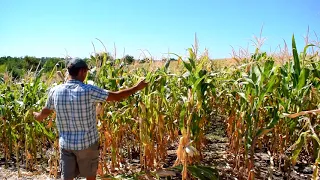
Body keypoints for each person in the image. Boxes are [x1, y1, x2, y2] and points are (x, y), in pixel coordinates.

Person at [33, 58, 148, 180]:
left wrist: (37, 116)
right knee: (90, 177)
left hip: (66, 145)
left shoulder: (55, 91)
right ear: (82, 71)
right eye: (86, 72)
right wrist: (137, 87)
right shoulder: (89, 90)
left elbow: (46, 111)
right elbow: (117, 96)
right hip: (87, 144)